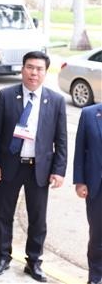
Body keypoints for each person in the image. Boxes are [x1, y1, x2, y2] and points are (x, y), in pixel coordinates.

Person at [0, 50, 67, 282]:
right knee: (4, 215)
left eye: (39, 69)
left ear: (45, 72)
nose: (34, 73)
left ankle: (34, 262)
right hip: (10, 165)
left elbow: (61, 140)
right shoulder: (6, 95)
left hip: (39, 169)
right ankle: (2, 257)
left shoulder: (56, 101)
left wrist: (58, 171)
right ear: (22, 69)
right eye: (30, 67)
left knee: (38, 219)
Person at [73, 103, 102, 284]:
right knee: (98, 236)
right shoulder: (89, 114)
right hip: (96, 186)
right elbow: (80, 149)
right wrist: (80, 181)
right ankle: (95, 276)